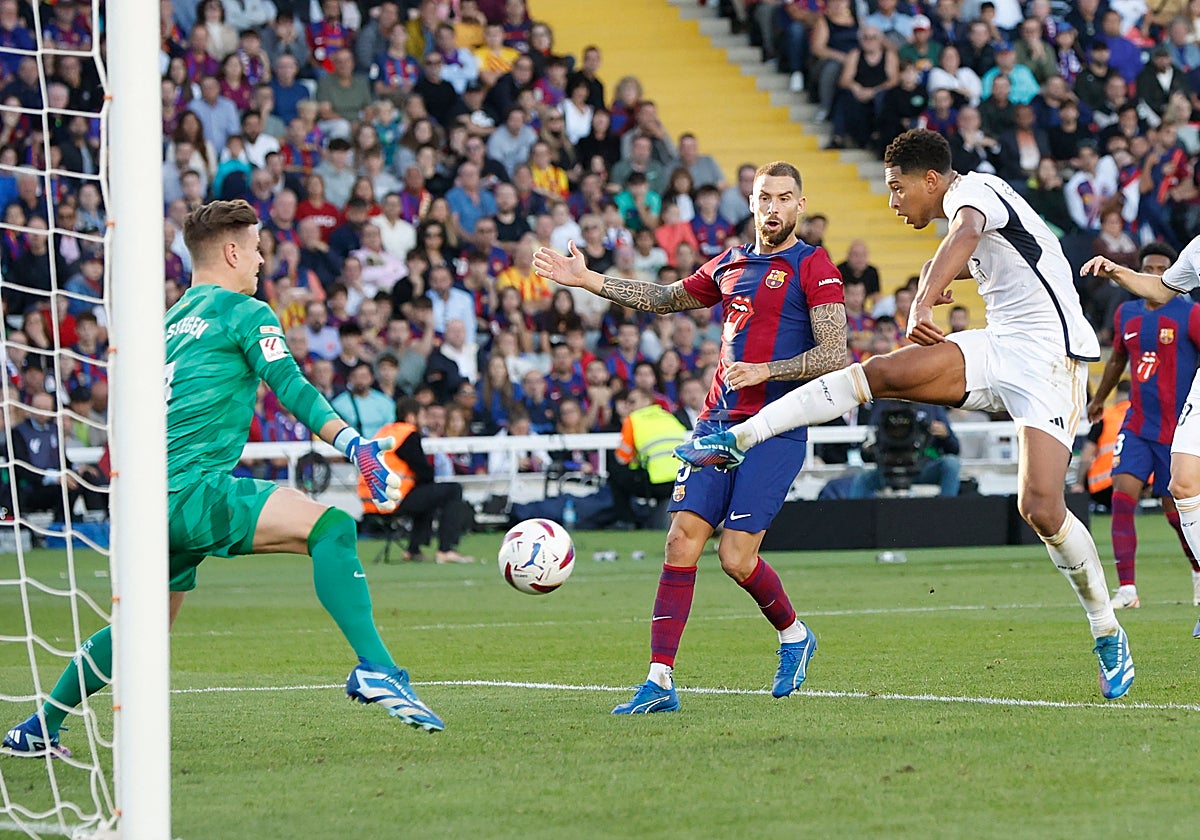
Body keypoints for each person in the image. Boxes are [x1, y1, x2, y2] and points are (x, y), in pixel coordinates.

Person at [679, 130, 1135, 701]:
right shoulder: (975, 209)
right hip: (999, 345)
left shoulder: (976, 193)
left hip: (1051, 360)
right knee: (880, 373)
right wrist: (936, 277)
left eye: (897, 188)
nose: (893, 201)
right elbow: (995, 253)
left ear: (931, 180)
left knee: (1040, 507)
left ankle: (1107, 630)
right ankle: (740, 438)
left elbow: (966, 232)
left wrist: (923, 299)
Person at [3, 201, 443, 758]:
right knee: (332, 528)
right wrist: (352, 443)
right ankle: (378, 667)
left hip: (144, 500)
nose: (261, 260)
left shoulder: (166, 325)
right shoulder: (244, 311)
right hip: (195, 492)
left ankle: (39, 727)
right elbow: (290, 383)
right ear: (232, 251)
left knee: (140, 631)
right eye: (256, 249)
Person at [533, 160, 848, 714]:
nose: (773, 207)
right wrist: (589, 280)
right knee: (680, 541)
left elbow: (834, 353)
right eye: (764, 197)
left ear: (800, 205)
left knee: (735, 557)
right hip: (715, 423)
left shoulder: (814, 265)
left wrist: (766, 370)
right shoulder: (730, 263)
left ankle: (795, 635)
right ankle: (659, 682)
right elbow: (663, 298)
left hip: (773, 428)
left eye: (784, 198)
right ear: (751, 203)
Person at [1082, 239, 1200, 632]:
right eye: (1148, 268)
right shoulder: (1127, 313)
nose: (1155, 274)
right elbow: (1117, 357)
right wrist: (1099, 399)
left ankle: (1198, 570)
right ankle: (1128, 587)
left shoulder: (1190, 314)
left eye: (1160, 269)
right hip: (1138, 423)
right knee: (1123, 494)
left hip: (1177, 426)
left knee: (1177, 508)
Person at [363, 398, 475, 565]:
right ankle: (446, 549)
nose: (425, 421)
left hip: (371, 502)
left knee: (426, 494)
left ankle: (413, 550)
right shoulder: (408, 434)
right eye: (423, 416)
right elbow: (424, 472)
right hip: (392, 501)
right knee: (453, 490)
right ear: (411, 417)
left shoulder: (385, 432)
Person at [609, 388, 689, 529]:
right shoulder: (669, 417)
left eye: (632, 401)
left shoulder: (633, 419)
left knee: (615, 475)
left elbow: (622, 458)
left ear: (646, 401)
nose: (628, 405)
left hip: (656, 482)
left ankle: (627, 521)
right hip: (682, 480)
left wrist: (636, 460)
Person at [848, 401, 962, 498]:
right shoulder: (882, 404)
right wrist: (870, 448)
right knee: (862, 480)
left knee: (951, 464)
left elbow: (954, 448)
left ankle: (946, 510)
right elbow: (867, 448)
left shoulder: (931, 405)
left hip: (922, 465)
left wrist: (945, 435)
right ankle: (855, 517)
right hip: (889, 469)